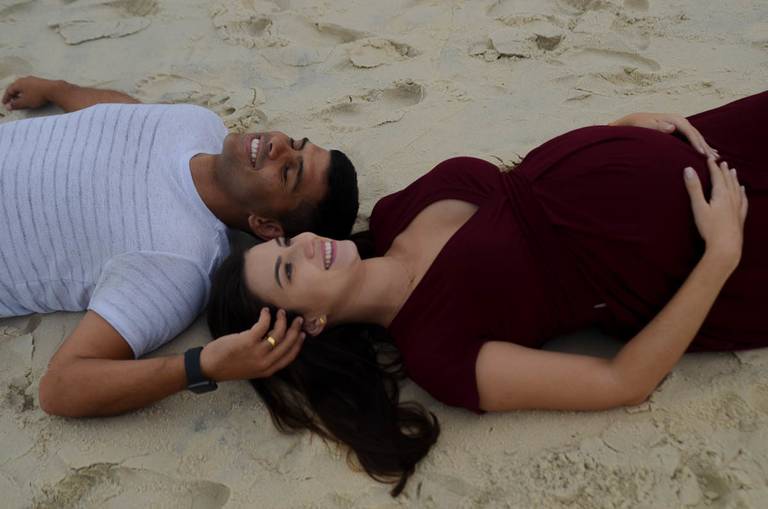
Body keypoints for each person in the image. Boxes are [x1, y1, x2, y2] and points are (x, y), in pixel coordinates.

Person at [207, 91, 767, 494]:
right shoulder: (438, 352)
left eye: (286, 244)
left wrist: (621, 128)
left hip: (704, 146)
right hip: (722, 240)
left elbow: (521, 189)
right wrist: (722, 253)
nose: (304, 246)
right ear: (311, 323)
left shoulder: (394, 210)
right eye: (287, 272)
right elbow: (622, 381)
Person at [0, 76, 359, 417]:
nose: (277, 144)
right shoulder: (199, 123)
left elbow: (60, 387)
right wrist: (59, 90)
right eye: (296, 143)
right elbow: (130, 117)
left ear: (265, 225)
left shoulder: (179, 263)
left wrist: (198, 366)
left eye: (287, 172)